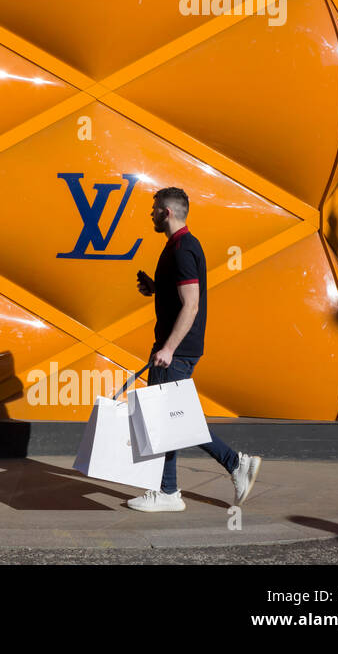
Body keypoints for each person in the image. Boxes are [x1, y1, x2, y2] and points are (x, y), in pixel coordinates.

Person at [125, 187, 261, 512]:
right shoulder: (177, 246)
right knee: (169, 419)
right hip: (176, 347)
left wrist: (169, 348)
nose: (151, 213)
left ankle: (234, 464)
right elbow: (181, 296)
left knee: (176, 419)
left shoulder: (183, 248)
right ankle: (169, 491)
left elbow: (192, 305)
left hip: (177, 349)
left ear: (167, 213)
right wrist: (156, 289)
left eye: (155, 208)